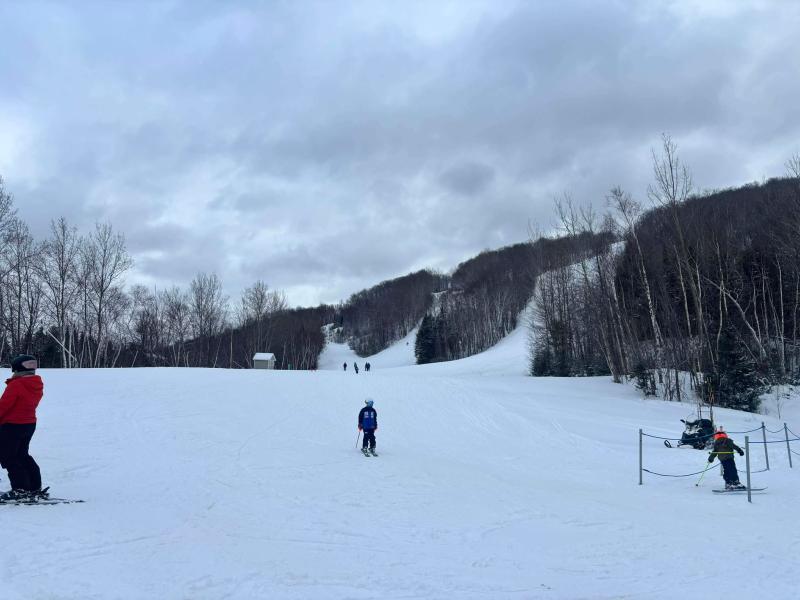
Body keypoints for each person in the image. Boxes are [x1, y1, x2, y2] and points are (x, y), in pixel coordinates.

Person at [0, 355, 46, 501]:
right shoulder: (36, 384)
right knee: (22, 454)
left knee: (9, 457)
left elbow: (4, 406)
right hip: (29, 424)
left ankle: (20, 490)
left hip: (12, 425)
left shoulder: (16, 385)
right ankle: (33, 487)